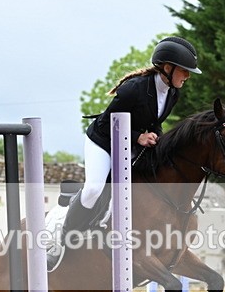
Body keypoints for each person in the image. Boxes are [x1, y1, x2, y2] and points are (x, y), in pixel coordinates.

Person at [46, 36, 202, 270]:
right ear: (167, 68)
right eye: (184, 71)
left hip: (130, 142)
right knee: (94, 188)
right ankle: (62, 236)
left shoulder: (172, 92)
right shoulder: (134, 89)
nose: (187, 76)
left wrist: (155, 137)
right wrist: (139, 136)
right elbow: (108, 121)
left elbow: (155, 121)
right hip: (103, 140)